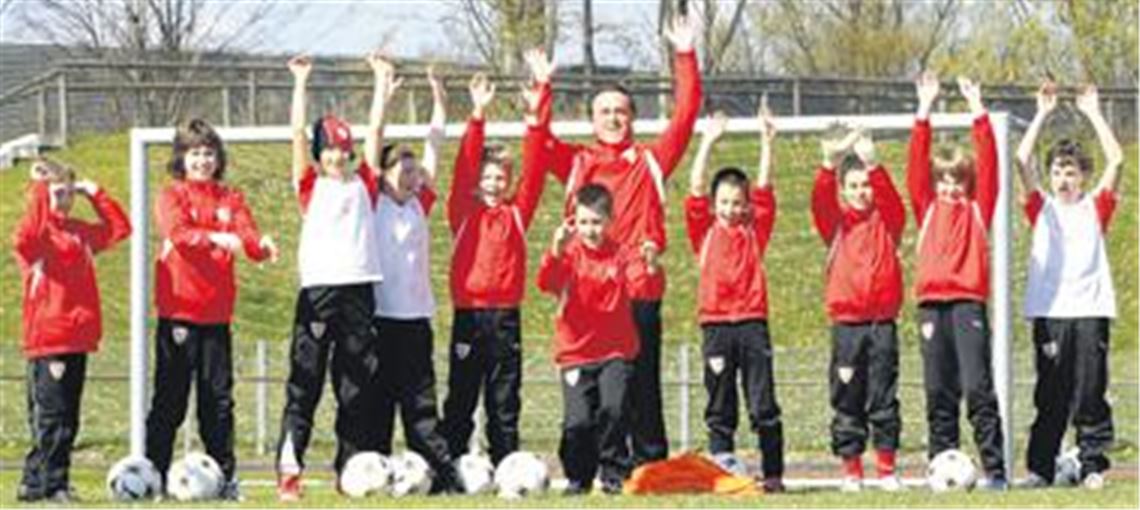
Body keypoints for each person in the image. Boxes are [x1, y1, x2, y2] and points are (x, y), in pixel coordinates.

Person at [539, 13, 702, 466]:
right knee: (591, 391)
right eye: (604, 111)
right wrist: (543, 87)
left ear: (633, 117)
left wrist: (684, 54)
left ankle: (648, 465)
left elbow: (687, 115)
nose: (613, 118)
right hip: (588, 295)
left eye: (621, 111)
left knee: (640, 381)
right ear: (592, 118)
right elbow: (537, 141)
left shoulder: (651, 161)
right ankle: (584, 468)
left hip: (637, 289)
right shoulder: (577, 163)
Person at [274, 52, 390, 502]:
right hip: (319, 292)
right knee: (305, 386)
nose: (338, 155)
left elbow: (377, 132)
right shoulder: (310, 184)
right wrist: (301, 82)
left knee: (355, 388)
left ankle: (349, 471)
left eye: (344, 148)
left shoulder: (365, 183)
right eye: (331, 149)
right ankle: (289, 471)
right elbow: (296, 135)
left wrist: (380, 81)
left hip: (360, 290)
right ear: (321, 155)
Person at [146, 118, 278, 500]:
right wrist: (218, 237)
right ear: (182, 158)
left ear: (218, 157)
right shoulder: (171, 195)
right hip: (179, 315)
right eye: (195, 153)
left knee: (218, 403)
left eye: (208, 153)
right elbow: (180, 235)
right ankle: (154, 477)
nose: (203, 160)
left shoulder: (229, 197)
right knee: (170, 402)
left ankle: (225, 480)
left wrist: (261, 245)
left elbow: (246, 234)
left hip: (217, 317)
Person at [439, 49, 551, 466]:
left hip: (505, 317)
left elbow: (536, 169)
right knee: (462, 396)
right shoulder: (462, 212)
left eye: (500, 177)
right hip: (469, 314)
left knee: (504, 399)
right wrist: (477, 115)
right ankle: (452, 466)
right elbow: (464, 166)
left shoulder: (517, 213)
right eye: (486, 176)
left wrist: (536, 116)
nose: (492, 182)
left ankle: (507, 466)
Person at [1015, 82, 1123, 491]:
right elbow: (1020, 159)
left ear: (1083, 177)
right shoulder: (1040, 207)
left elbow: (1117, 158)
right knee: (1051, 395)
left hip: (1090, 311)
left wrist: (1093, 111)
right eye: (1058, 170)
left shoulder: (1096, 207)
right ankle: (1041, 468)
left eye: (1071, 171)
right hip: (1050, 313)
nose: (1063, 178)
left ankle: (1092, 464)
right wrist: (1041, 112)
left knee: (1090, 393)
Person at [14, 157, 131, 503]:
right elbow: (26, 236)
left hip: (78, 338)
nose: (62, 199)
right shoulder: (38, 236)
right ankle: (52, 484)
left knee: (67, 417)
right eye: (56, 193)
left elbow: (119, 229)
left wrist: (94, 192)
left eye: (67, 193)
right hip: (50, 338)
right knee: (53, 417)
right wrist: (39, 189)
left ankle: (35, 484)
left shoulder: (79, 232)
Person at [369, 66, 461, 493]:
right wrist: (383, 96)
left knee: (421, 406)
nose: (411, 176)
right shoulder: (371, 202)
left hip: (416, 320)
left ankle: (438, 477)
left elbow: (436, 144)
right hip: (380, 319)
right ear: (383, 176)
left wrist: (439, 98)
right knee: (379, 405)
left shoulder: (419, 203)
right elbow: (373, 141)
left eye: (414, 171)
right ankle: (373, 475)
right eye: (402, 171)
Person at [684, 105, 785, 492]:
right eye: (724, 202)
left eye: (738, 202)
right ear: (714, 205)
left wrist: (766, 140)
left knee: (762, 405)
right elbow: (695, 186)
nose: (732, 208)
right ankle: (721, 474)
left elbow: (763, 186)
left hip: (752, 324)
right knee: (720, 406)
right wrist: (707, 142)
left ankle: (774, 476)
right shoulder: (704, 232)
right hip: (715, 327)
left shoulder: (755, 231)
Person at [810, 124, 906, 492]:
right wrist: (827, 164)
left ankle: (886, 469)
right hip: (847, 326)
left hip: (882, 324)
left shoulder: (888, 222)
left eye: (865, 185)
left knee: (883, 395)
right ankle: (852, 470)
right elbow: (819, 199)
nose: (861, 192)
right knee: (847, 397)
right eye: (853, 186)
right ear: (843, 190)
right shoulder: (835, 224)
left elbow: (893, 201)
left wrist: (874, 165)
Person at [537, 184, 649, 495]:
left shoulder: (622, 253)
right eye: (584, 222)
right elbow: (546, 282)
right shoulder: (569, 254)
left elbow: (643, 287)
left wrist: (650, 267)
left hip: (615, 351)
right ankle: (578, 477)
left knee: (613, 410)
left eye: (597, 222)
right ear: (574, 221)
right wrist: (556, 249)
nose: (590, 229)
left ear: (610, 220)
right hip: (576, 353)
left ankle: (613, 474)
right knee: (578, 423)